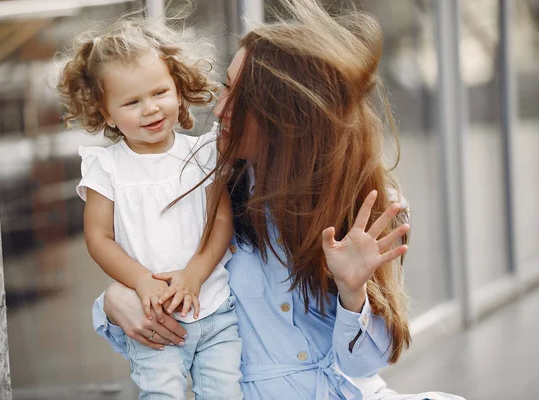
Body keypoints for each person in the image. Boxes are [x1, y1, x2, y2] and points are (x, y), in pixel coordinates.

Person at [92, 1, 466, 399]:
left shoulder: (364, 207)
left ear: (283, 115)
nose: (218, 109)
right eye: (225, 87)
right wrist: (114, 302)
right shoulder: (210, 191)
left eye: (237, 96)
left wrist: (352, 292)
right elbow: (160, 278)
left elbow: (363, 365)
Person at [57, 17, 243, 399]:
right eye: (131, 102)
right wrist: (140, 279)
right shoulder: (106, 167)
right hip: (152, 317)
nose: (150, 110)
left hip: (217, 311)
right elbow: (98, 238)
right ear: (106, 113)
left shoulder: (203, 153)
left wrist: (195, 273)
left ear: (177, 89)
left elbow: (222, 221)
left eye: (159, 92)